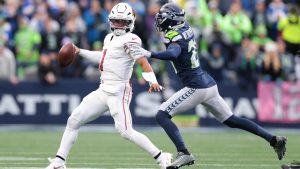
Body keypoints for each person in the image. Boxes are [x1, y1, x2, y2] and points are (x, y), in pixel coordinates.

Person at [125, 3, 287, 169]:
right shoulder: (185, 27)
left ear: (172, 20)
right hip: (207, 83)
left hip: (196, 87)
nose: (159, 19)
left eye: (163, 17)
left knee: (162, 115)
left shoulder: (174, 35)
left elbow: (174, 53)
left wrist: (149, 53)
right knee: (232, 120)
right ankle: (273, 139)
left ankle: (184, 153)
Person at [45, 3, 172, 169]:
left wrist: (152, 80)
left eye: (122, 21)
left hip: (119, 92)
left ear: (130, 23)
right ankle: (59, 163)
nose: (118, 25)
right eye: (116, 21)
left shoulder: (131, 39)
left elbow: (142, 61)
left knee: (126, 132)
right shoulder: (109, 38)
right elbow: (104, 58)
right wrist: (79, 51)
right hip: (103, 89)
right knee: (74, 120)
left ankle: (162, 156)